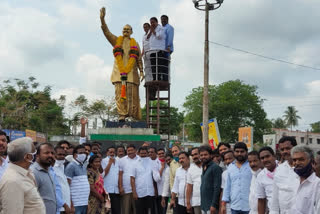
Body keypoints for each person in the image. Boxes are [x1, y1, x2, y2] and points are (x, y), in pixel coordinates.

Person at [100, 7, 143, 121]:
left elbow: (139, 59)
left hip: (132, 74)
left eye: (128, 29)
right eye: (124, 29)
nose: (125, 31)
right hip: (119, 73)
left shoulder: (135, 44)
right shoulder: (116, 41)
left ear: (132, 32)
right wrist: (102, 19)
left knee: (133, 97)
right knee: (120, 96)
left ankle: (133, 116)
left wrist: (142, 71)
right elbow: (106, 32)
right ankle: (122, 115)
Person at [0, 137, 45, 214]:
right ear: (28, 157)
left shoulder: (26, 173)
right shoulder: (12, 181)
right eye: (34, 152)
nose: (36, 155)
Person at [270, 136, 299, 214]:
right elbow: (275, 198)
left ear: (296, 148)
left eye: (288, 148)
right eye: (282, 149)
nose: (285, 151)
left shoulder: (304, 168)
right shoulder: (279, 170)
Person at [221, 142, 252, 214]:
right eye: (237, 151)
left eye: (242, 151)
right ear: (234, 152)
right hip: (235, 206)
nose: (239, 154)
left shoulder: (251, 165)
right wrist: (223, 204)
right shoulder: (230, 167)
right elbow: (227, 187)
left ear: (246, 152)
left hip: (249, 206)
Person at [289, 145, 320, 213]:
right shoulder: (291, 178)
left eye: (301, 159)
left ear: (312, 161)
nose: (297, 163)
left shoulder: (317, 183)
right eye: (294, 160)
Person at [31, 143, 57, 214]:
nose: (50, 155)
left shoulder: (49, 170)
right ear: (37, 155)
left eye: (52, 153)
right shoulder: (33, 172)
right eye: (46, 153)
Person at [65, 144, 90, 214]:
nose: (83, 154)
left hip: (83, 203)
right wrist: (71, 204)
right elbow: (67, 186)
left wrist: (87, 203)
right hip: (75, 204)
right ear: (75, 155)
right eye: (81, 153)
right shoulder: (71, 166)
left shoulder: (83, 166)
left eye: (84, 153)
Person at [130, 147, 155, 214]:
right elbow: (132, 179)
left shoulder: (151, 162)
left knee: (149, 211)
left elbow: (154, 177)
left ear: (147, 153)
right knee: (140, 211)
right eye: (141, 153)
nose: (143, 155)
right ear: (138, 153)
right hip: (139, 193)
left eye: (145, 153)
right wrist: (134, 192)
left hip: (150, 192)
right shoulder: (134, 164)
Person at [199, 145, 222, 214]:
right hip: (204, 206)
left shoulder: (215, 168)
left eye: (205, 155)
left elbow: (217, 187)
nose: (203, 157)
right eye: (201, 155)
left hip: (211, 206)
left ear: (211, 155)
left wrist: (214, 205)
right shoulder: (204, 167)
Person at [119, 144, 139, 214]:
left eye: (131, 150)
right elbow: (120, 174)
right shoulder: (122, 160)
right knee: (126, 210)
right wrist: (121, 187)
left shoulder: (140, 159)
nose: (130, 152)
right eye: (128, 150)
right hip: (126, 189)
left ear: (135, 151)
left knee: (137, 210)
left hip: (138, 190)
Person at [256, 147, 277, 214]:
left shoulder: (285, 169)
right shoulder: (261, 176)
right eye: (262, 158)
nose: (265, 160)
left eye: (267, 156)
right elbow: (261, 200)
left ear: (274, 156)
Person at [102, 146, 121, 214]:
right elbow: (103, 174)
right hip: (107, 190)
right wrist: (109, 163)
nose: (112, 154)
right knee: (107, 210)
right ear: (107, 153)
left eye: (113, 152)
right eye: (110, 152)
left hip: (116, 190)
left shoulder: (118, 161)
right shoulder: (103, 161)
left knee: (116, 210)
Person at [53, 146, 72, 214]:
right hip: (59, 207)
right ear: (54, 155)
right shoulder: (51, 168)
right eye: (59, 154)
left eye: (64, 155)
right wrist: (64, 205)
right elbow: (53, 190)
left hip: (66, 206)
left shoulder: (63, 166)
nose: (62, 156)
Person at [148, 17, 167, 81]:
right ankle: (154, 78)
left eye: (153, 22)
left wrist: (153, 31)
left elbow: (159, 36)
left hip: (159, 50)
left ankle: (159, 79)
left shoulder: (161, 28)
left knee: (159, 66)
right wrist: (151, 31)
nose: (152, 24)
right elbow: (147, 38)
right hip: (152, 51)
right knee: (153, 66)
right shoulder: (151, 29)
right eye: (151, 23)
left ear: (157, 22)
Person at [186, 147, 202, 214]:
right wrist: (188, 203)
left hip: (208, 201)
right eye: (192, 155)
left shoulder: (207, 165)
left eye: (196, 154)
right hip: (196, 202)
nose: (194, 157)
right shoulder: (191, 169)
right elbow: (189, 186)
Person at [169, 145, 181, 214]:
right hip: (176, 196)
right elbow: (171, 181)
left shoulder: (189, 159)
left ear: (180, 150)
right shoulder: (172, 164)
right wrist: (173, 197)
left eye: (176, 151)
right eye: (173, 152)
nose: (174, 153)